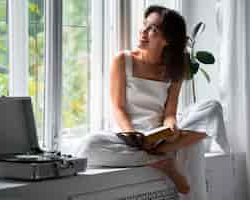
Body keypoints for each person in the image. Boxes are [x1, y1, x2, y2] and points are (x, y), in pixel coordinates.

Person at [76, 5, 229, 198]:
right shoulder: (123, 60)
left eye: (153, 30)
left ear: (167, 40)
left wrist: (171, 127)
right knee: (87, 147)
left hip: (160, 136)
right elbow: (118, 107)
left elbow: (170, 112)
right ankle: (163, 161)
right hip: (130, 137)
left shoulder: (176, 66)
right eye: (144, 25)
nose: (143, 32)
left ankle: (165, 148)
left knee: (211, 109)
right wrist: (132, 135)